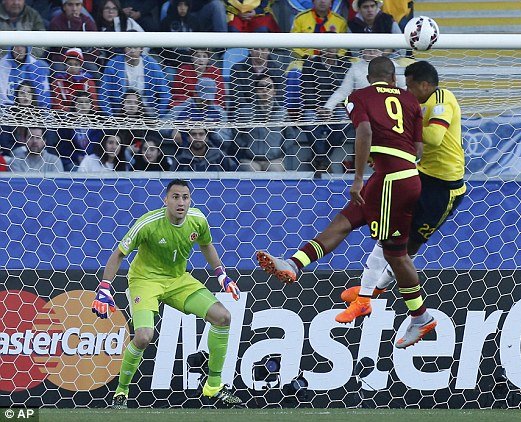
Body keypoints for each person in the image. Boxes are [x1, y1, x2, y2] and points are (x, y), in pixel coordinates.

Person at [257, 56, 434, 349]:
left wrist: (358, 177)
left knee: (396, 255)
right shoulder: (409, 99)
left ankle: (420, 316)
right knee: (344, 222)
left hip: (389, 179)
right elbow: (417, 149)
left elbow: (364, 132)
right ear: (393, 79)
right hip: (399, 175)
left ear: (368, 77)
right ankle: (295, 263)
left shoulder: (359, 96)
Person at [92, 179, 242, 408]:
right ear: (166, 200)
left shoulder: (198, 220)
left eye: (185, 197)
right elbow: (119, 254)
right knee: (143, 337)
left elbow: (206, 245)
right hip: (145, 281)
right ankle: (121, 393)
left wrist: (221, 274)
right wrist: (104, 287)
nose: (181, 202)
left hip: (178, 280)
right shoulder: (148, 223)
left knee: (223, 317)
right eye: (175, 197)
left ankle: (213, 386)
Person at [337, 60, 466, 323]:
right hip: (420, 176)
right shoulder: (416, 104)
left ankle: (374, 292)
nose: (406, 91)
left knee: (408, 247)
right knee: (391, 235)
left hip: (445, 188)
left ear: (425, 85)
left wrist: (403, 130)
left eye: (410, 86)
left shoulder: (443, 100)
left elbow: (434, 138)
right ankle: (367, 293)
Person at [100, 41, 171, 118]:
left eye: (136, 47)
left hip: (147, 110)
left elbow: (165, 93)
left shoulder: (151, 65)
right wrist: (111, 118)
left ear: (141, 49)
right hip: (120, 111)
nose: (132, 50)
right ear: (124, 48)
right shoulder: (113, 65)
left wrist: (159, 115)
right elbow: (103, 94)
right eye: (129, 47)